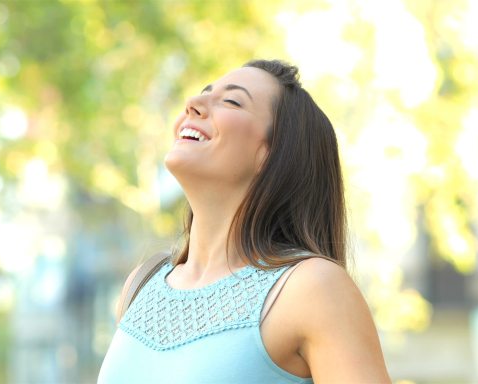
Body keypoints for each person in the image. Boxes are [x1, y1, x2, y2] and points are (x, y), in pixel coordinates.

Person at [97, 59, 390, 383]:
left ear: (272, 153)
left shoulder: (312, 287)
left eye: (231, 101)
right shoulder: (141, 286)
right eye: (203, 93)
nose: (192, 104)